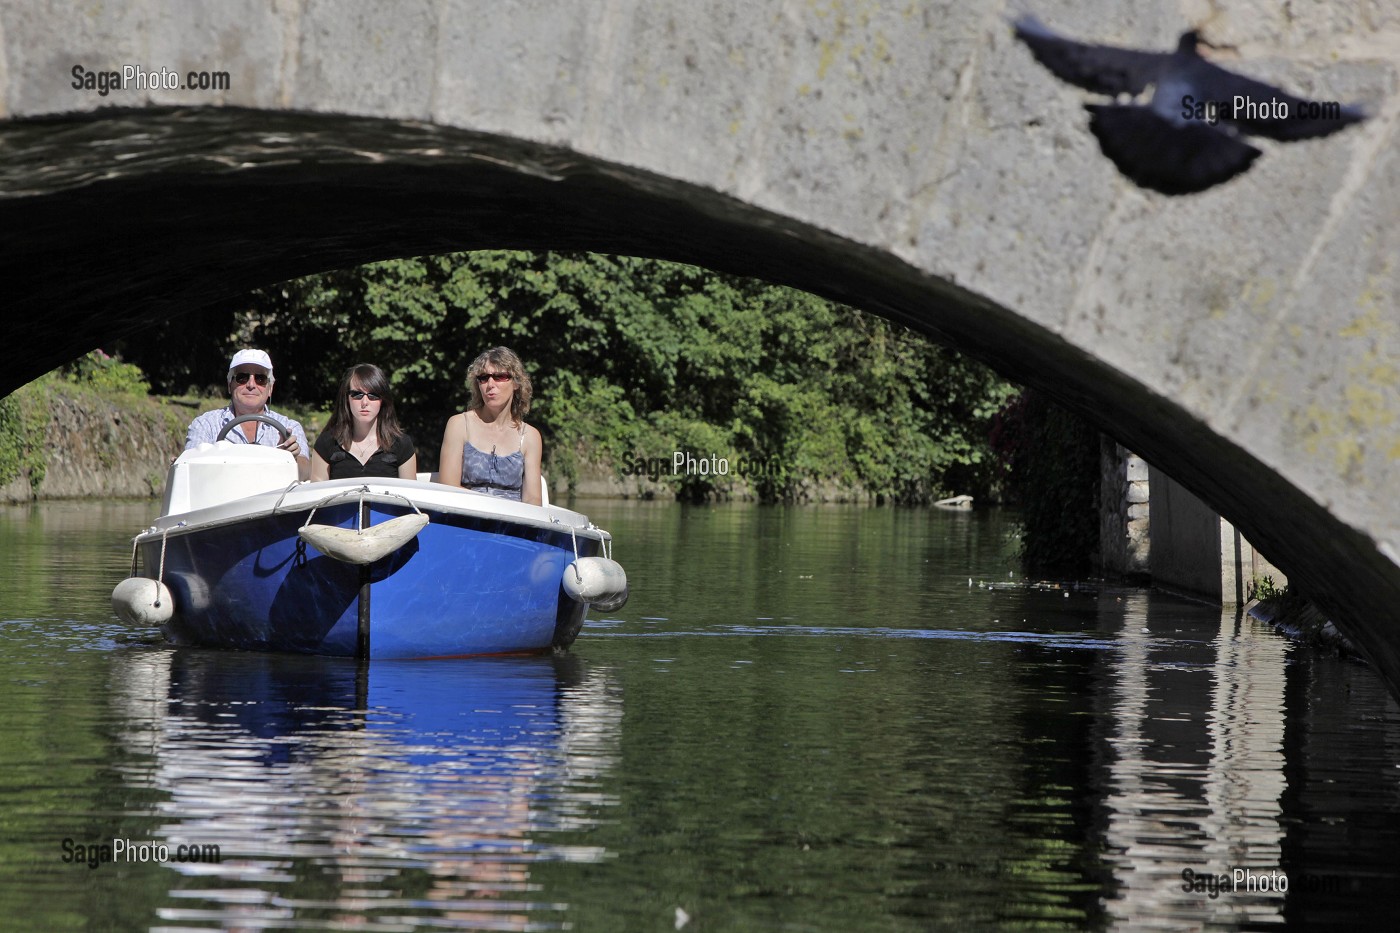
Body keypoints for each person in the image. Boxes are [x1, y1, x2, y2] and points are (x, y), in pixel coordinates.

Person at [184, 349, 311, 480]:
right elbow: (190, 473)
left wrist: (291, 459)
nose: (251, 384)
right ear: (229, 385)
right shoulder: (205, 425)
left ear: (270, 389)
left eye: (260, 379)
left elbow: (306, 474)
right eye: (242, 378)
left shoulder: (289, 427)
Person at [437, 347, 543, 505]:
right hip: (464, 516)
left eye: (499, 376)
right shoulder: (459, 425)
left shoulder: (530, 436)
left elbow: (533, 500)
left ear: (516, 383)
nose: (490, 384)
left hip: (512, 522)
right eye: (483, 378)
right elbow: (448, 487)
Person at [310, 363, 418, 481]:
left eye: (373, 395)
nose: (364, 402)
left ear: (383, 400)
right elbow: (318, 496)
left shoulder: (402, 445)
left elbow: (409, 496)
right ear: (346, 398)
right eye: (357, 394)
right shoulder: (326, 444)